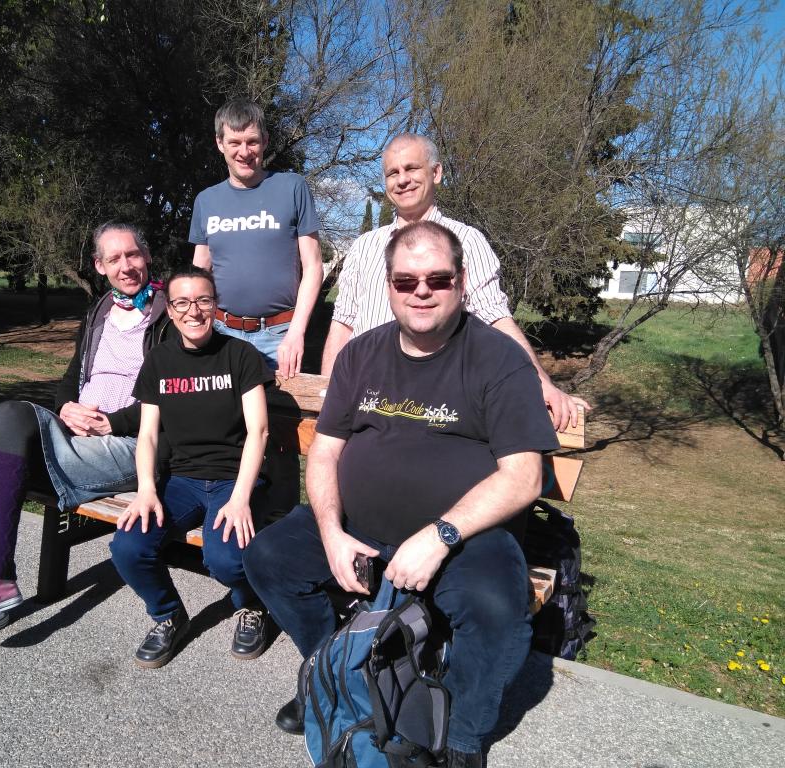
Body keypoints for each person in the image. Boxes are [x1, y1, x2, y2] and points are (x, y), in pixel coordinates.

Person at [244, 221, 560, 768]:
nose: (421, 291)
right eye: (406, 280)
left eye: (438, 279)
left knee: (496, 610)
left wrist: (439, 537)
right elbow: (325, 452)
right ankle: (340, 670)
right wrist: (331, 533)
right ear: (388, 286)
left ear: (462, 282)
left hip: (465, 537)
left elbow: (524, 477)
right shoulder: (361, 354)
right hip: (359, 526)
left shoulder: (498, 359)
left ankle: (459, 734)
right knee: (268, 559)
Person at [0, 223, 170, 656]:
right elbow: (72, 377)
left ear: (146, 257)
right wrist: (67, 407)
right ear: (99, 266)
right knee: (11, 414)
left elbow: (174, 392)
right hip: (77, 436)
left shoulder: (169, 314)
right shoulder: (99, 312)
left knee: (4, 465)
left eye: (133, 255)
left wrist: (114, 422)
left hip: (132, 445)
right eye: (114, 258)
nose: (126, 266)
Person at [321, 133, 589, 431]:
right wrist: (327, 394)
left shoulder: (467, 241)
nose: (402, 180)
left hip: (431, 405)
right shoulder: (364, 246)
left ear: (436, 173)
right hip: (364, 399)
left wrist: (540, 381)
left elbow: (496, 319)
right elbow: (343, 324)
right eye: (393, 173)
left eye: (412, 168)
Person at [109, 265, 274, 669]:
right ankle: (168, 615)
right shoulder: (160, 361)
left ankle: (252, 605)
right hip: (180, 481)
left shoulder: (240, 356)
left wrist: (240, 498)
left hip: (233, 480)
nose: (193, 311)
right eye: (182, 302)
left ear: (216, 305)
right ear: (169, 309)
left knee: (226, 560)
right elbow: (148, 435)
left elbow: (259, 431)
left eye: (203, 300)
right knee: (128, 547)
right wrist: (146, 489)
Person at [190, 98, 322, 377]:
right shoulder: (206, 200)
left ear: (265, 141)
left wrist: (296, 332)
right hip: (221, 333)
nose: (244, 152)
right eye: (234, 142)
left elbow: (313, 266)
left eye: (252, 141)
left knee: (277, 407)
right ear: (220, 143)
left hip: (279, 337)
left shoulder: (292, 187)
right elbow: (199, 271)